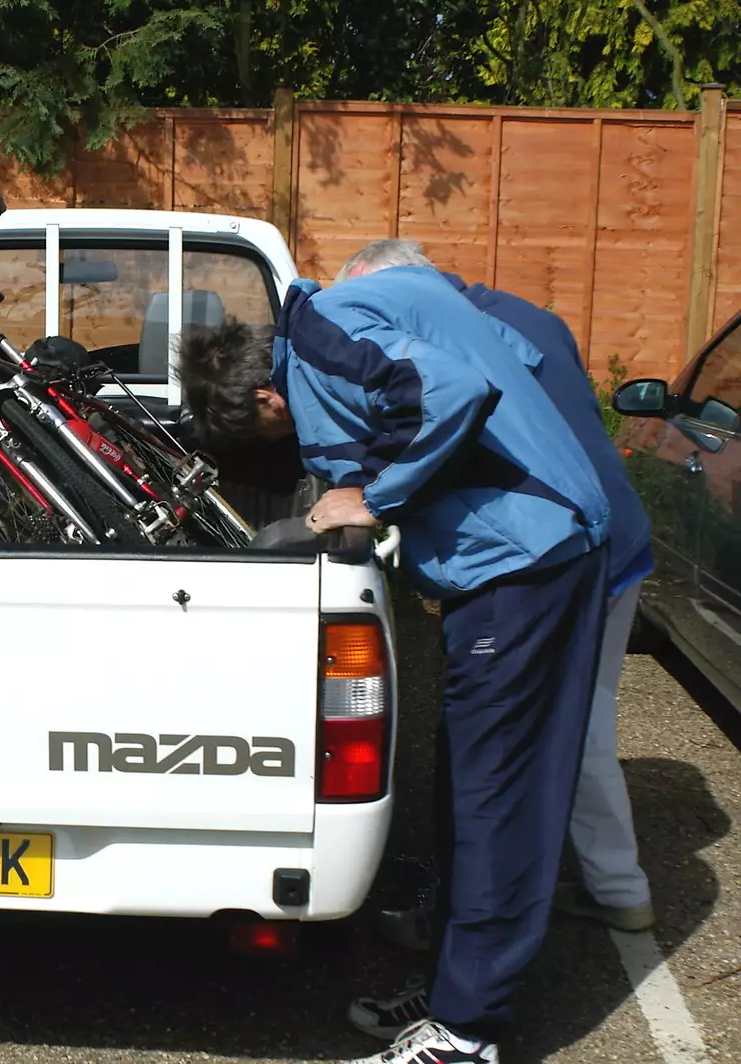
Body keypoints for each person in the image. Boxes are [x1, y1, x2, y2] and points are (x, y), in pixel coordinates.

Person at [178, 266, 612, 1064]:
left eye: (275, 438)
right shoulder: (360, 306)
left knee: (495, 797)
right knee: (464, 783)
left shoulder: (324, 339)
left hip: (524, 564)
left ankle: (466, 1033)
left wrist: (373, 495)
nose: (294, 452)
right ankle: (457, 987)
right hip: (528, 552)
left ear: (268, 398)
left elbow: (450, 390)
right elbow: (510, 347)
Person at [334, 239, 657, 1040]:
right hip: (585, 539)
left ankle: (612, 895)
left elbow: (460, 429)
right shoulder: (524, 317)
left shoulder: (443, 337)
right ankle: (469, 959)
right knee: (525, 754)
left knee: (558, 745)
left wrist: (374, 492)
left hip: (568, 553)